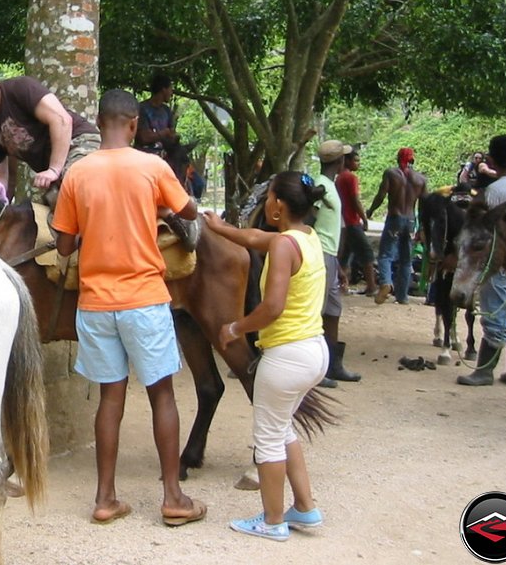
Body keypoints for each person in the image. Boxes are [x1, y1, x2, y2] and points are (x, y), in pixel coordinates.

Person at [52, 89, 206, 527]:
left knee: (110, 398)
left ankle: (105, 499)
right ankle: (173, 497)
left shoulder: (78, 174)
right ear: (135, 124)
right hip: (144, 299)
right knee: (161, 394)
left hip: (96, 303)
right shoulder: (153, 167)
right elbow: (190, 211)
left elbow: (64, 245)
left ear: (100, 123)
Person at [204, 172, 329, 542]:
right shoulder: (306, 238)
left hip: (286, 356)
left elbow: (272, 307)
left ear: (278, 204)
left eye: (270, 197)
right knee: (283, 429)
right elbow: (256, 238)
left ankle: (272, 520)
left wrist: (235, 328)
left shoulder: (283, 247)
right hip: (313, 351)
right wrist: (221, 227)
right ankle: (305, 508)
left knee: (269, 438)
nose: (267, 203)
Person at [0, 65, 100, 206]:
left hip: (81, 142)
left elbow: (61, 120)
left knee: (74, 182)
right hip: (58, 170)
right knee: (54, 209)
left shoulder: (19, 87)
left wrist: (54, 170)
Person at [457, 134, 506, 387]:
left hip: (497, 261)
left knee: (493, 312)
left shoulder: (492, 192)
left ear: (491, 158)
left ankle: (484, 371)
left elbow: (480, 229)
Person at [314, 140, 361, 387]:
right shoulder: (321, 187)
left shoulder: (329, 185)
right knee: (317, 312)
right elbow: (310, 219)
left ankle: (333, 364)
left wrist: (339, 266)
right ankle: (316, 369)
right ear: (339, 161)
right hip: (320, 254)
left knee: (333, 311)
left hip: (329, 256)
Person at [367, 147, 427, 305]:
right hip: (411, 220)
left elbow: (381, 195)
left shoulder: (391, 174)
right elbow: (424, 207)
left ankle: (386, 282)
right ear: (412, 160)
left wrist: (371, 210)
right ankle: (402, 296)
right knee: (406, 259)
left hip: (395, 218)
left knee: (385, 255)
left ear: (397, 158)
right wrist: (421, 228)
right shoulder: (421, 179)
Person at [336, 147, 378, 297]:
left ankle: (341, 285)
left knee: (345, 255)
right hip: (352, 221)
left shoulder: (339, 178)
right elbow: (355, 200)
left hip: (344, 222)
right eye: (356, 160)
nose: (358, 163)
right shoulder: (350, 178)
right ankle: (372, 286)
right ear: (347, 161)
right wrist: (364, 218)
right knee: (366, 254)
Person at [135, 72, 177, 157]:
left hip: (164, 158)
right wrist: (164, 133)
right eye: (170, 89)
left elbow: (172, 135)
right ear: (163, 89)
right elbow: (144, 138)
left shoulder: (167, 110)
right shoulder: (142, 109)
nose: (171, 93)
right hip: (144, 156)